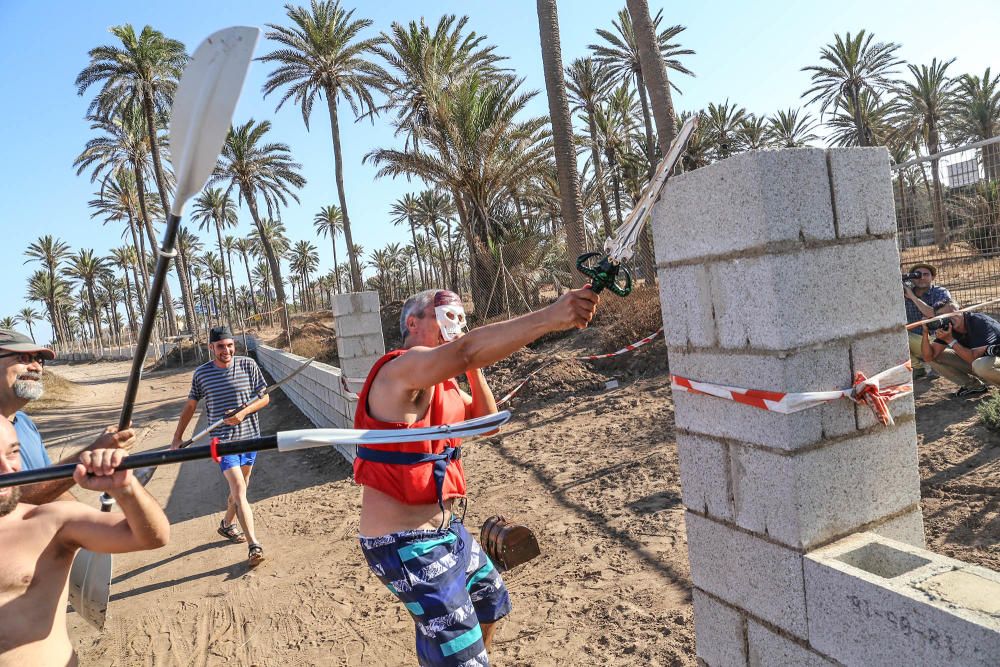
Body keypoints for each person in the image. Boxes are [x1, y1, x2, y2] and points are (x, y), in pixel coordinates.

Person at [354, 287, 599, 667]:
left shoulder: (445, 383)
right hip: (405, 543)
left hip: (447, 531)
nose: (451, 326)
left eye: (457, 319)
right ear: (413, 323)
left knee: (489, 600)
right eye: (442, 317)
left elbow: (486, 422)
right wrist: (551, 317)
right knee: (463, 655)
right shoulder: (401, 369)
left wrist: (470, 365)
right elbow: (465, 349)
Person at [0, 417, 169, 667]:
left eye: (13, 453)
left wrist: (126, 489)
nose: (7, 468)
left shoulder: (49, 521)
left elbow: (151, 537)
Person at [0, 328, 135, 505]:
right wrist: (90, 454)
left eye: (38, 359)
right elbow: (11, 501)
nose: (37, 367)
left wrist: (87, 517)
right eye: (23, 358)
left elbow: (48, 488)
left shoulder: (25, 423)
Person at [171, 326, 269, 566]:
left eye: (230, 345)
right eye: (221, 346)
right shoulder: (202, 374)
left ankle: (226, 525)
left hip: (250, 437)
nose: (226, 350)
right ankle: (253, 545)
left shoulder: (248, 366)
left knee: (241, 490)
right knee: (238, 489)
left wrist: (243, 413)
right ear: (211, 348)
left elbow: (265, 397)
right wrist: (177, 438)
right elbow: (190, 407)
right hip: (224, 443)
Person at [921, 299, 1000, 396]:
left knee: (980, 365)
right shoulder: (947, 327)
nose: (950, 319)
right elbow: (928, 357)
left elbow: (973, 358)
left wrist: (950, 340)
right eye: (944, 317)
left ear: (962, 310)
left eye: (952, 314)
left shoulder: (979, 323)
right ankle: (974, 386)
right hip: (980, 364)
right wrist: (925, 333)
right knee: (935, 357)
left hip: (994, 360)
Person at [903, 264, 951, 379]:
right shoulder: (903, 294)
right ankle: (917, 368)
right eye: (917, 275)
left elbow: (932, 314)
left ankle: (936, 364)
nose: (922, 278)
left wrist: (913, 297)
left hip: (938, 342)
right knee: (893, 336)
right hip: (917, 340)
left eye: (926, 274)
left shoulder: (940, 292)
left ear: (933, 277)